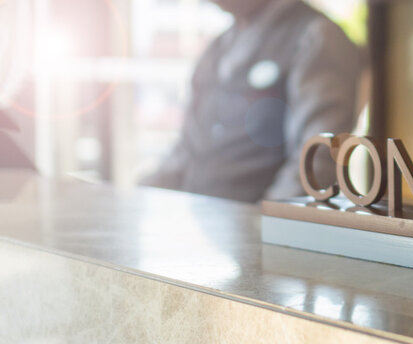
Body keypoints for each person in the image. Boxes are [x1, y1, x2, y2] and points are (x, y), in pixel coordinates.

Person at [142, 0, 362, 203]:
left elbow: (317, 160)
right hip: (200, 226)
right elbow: (187, 150)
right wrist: (138, 196)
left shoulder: (315, 36)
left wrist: (266, 223)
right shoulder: (219, 46)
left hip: (258, 231)